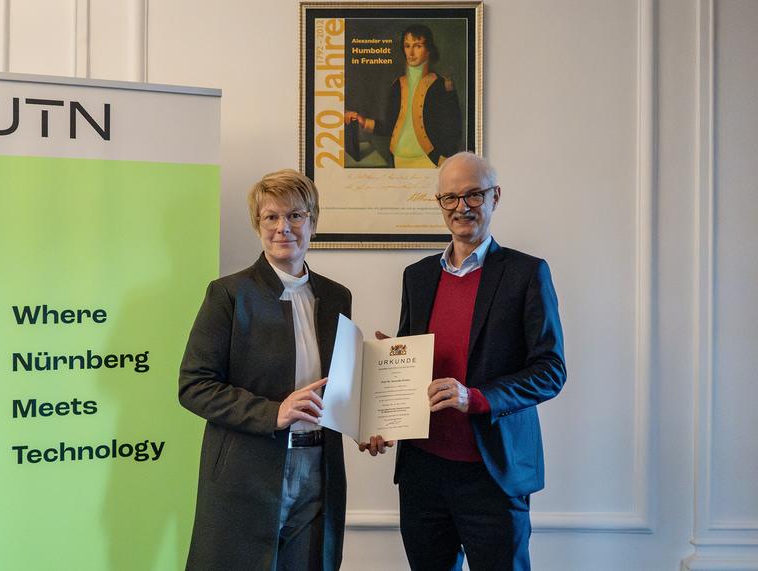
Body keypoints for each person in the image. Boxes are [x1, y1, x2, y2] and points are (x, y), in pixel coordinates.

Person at [363, 152, 566, 570]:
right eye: (450, 198)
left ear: (495, 197)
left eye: (473, 194)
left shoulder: (527, 273)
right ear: (439, 203)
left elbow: (550, 371)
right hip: (423, 473)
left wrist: (474, 397)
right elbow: (413, 358)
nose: (462, 207)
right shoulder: (417, 276)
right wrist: (385, 402)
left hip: (492, 473)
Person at [178, 169, 351, 570]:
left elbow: (342, 386)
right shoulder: (228, 294)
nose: (282, 228)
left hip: (320, 468)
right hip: (246, 472)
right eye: (271, 217)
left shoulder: (336, 297)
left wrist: (369, 415)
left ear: (313, 221)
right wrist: (273, 412)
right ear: (258, 224)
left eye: (295, 215)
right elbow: (194, 385)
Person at [344, 24, 462, 168]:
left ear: (429, 49)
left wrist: (445, 161)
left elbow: (453, 130)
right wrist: (364, 122)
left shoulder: (443, 85)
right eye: (407, 46)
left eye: (417, 46)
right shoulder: (397, 84)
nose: (411, 52)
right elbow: (389, 125)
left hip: (431, 161)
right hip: (398, 158)